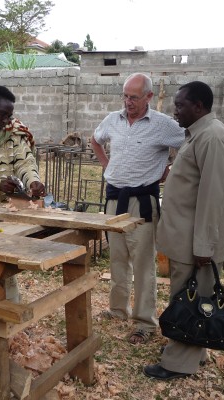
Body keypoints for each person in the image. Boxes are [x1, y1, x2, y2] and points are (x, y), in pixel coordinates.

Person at [143, 81, 224, 380]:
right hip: (185, 238)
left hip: (196, 242)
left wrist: (204, 246)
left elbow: (212, 196)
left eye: (180, 105)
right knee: (192, 298)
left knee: (188, 301)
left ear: (199, 106)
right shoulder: (199, 134)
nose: (175, 110)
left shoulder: (213, 137)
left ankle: (178, 363)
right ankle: (196, 349)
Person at [91, 73, 185, 345]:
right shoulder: (113, 119)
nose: (128, 102)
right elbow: (95, 140)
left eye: (133, 97)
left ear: (148, 97)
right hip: (114, 200)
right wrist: (107, 165)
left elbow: (189, 146)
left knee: (143, 265)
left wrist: (170, 169)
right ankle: (118, 310)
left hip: (142, 202)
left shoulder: (163, 125)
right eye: (125, 96)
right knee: (117, 259)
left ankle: (144, 322)